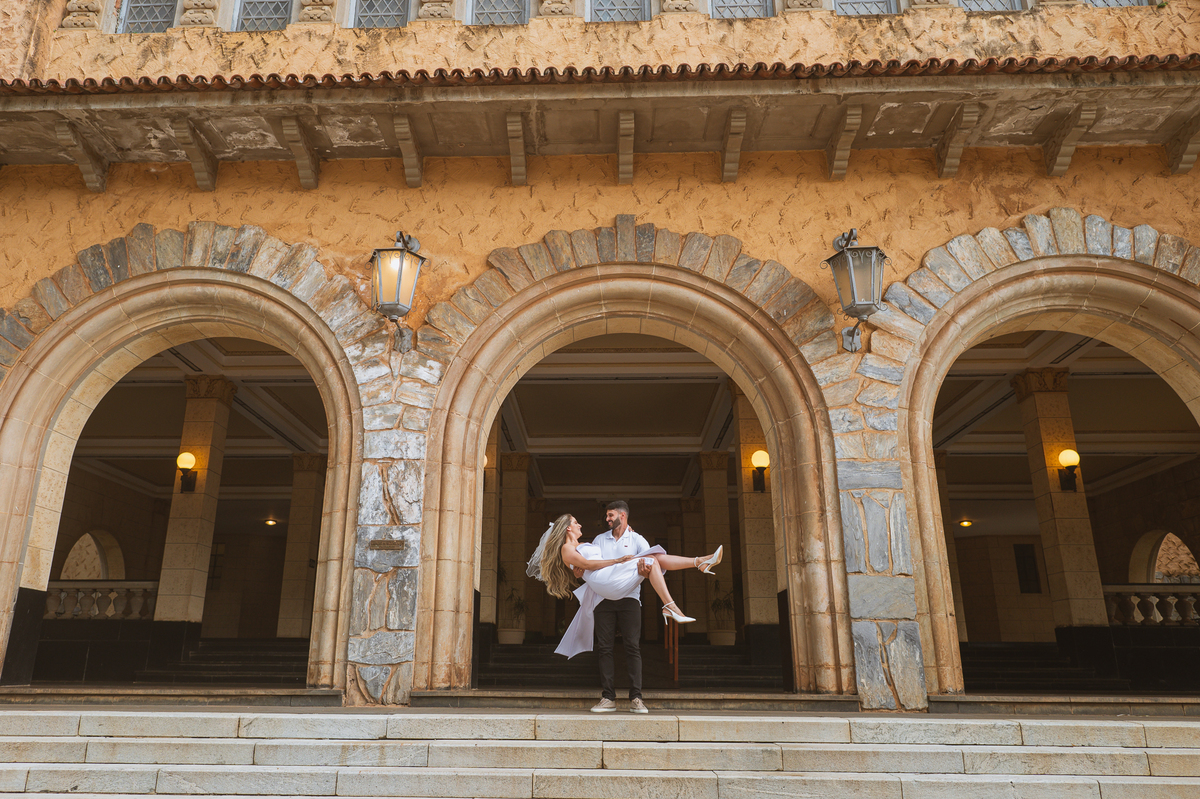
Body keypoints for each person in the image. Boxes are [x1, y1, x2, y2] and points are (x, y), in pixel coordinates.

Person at [528, 501, 722, 714]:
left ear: (623, 516)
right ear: (567, 527)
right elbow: (588, 564)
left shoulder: (635, 538)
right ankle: (608, 697)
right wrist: (610, 561)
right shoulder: (595, 541)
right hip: (604, 592)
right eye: (576, 522)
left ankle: (636, 698)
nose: (606, 519)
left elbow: (645, 568)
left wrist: (641, 569)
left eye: (610, 515)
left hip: (627, 593)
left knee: (652, 563)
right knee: (605, 647)